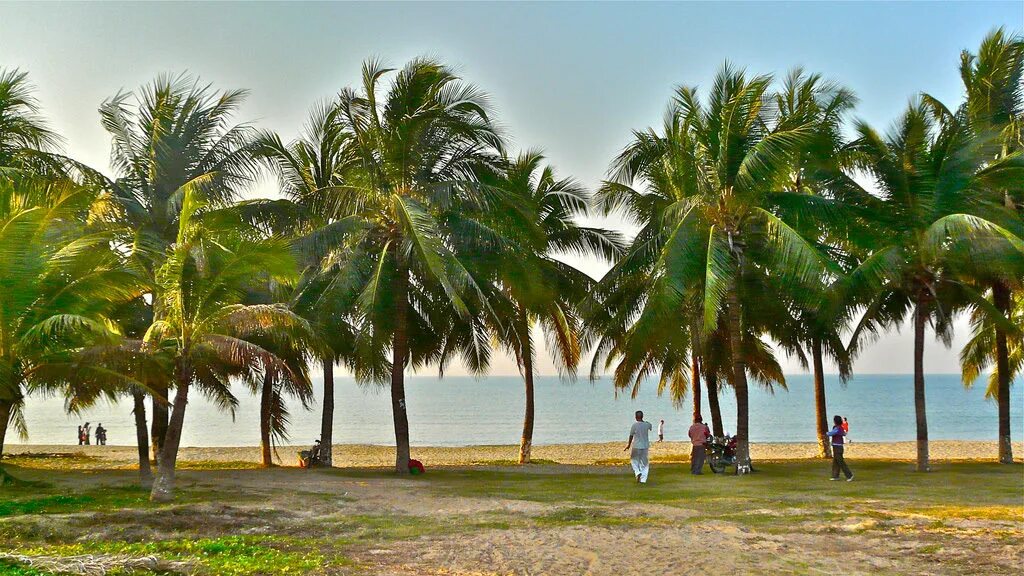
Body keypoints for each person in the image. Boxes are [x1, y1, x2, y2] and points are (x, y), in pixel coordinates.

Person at [623, 410, 653, 484]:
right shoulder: (647, 424)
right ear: (642, 416)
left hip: (636, 446)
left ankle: (637, 472)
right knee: (644, 463)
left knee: (634, 460)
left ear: (636, 417)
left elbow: (631, 435)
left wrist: (629, 445)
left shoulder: (634, 425)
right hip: (645, 446)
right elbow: (650, 427)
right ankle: (643, 480)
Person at [826, 415, 853, 481]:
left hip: (838, 447)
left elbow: (831, 433)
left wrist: (825, 433)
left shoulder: (838, 428)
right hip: (836, 446)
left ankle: (849, 475)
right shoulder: (838, 428)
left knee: (840, 462)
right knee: (836, 461)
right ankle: (835, 476)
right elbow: (844, 434)